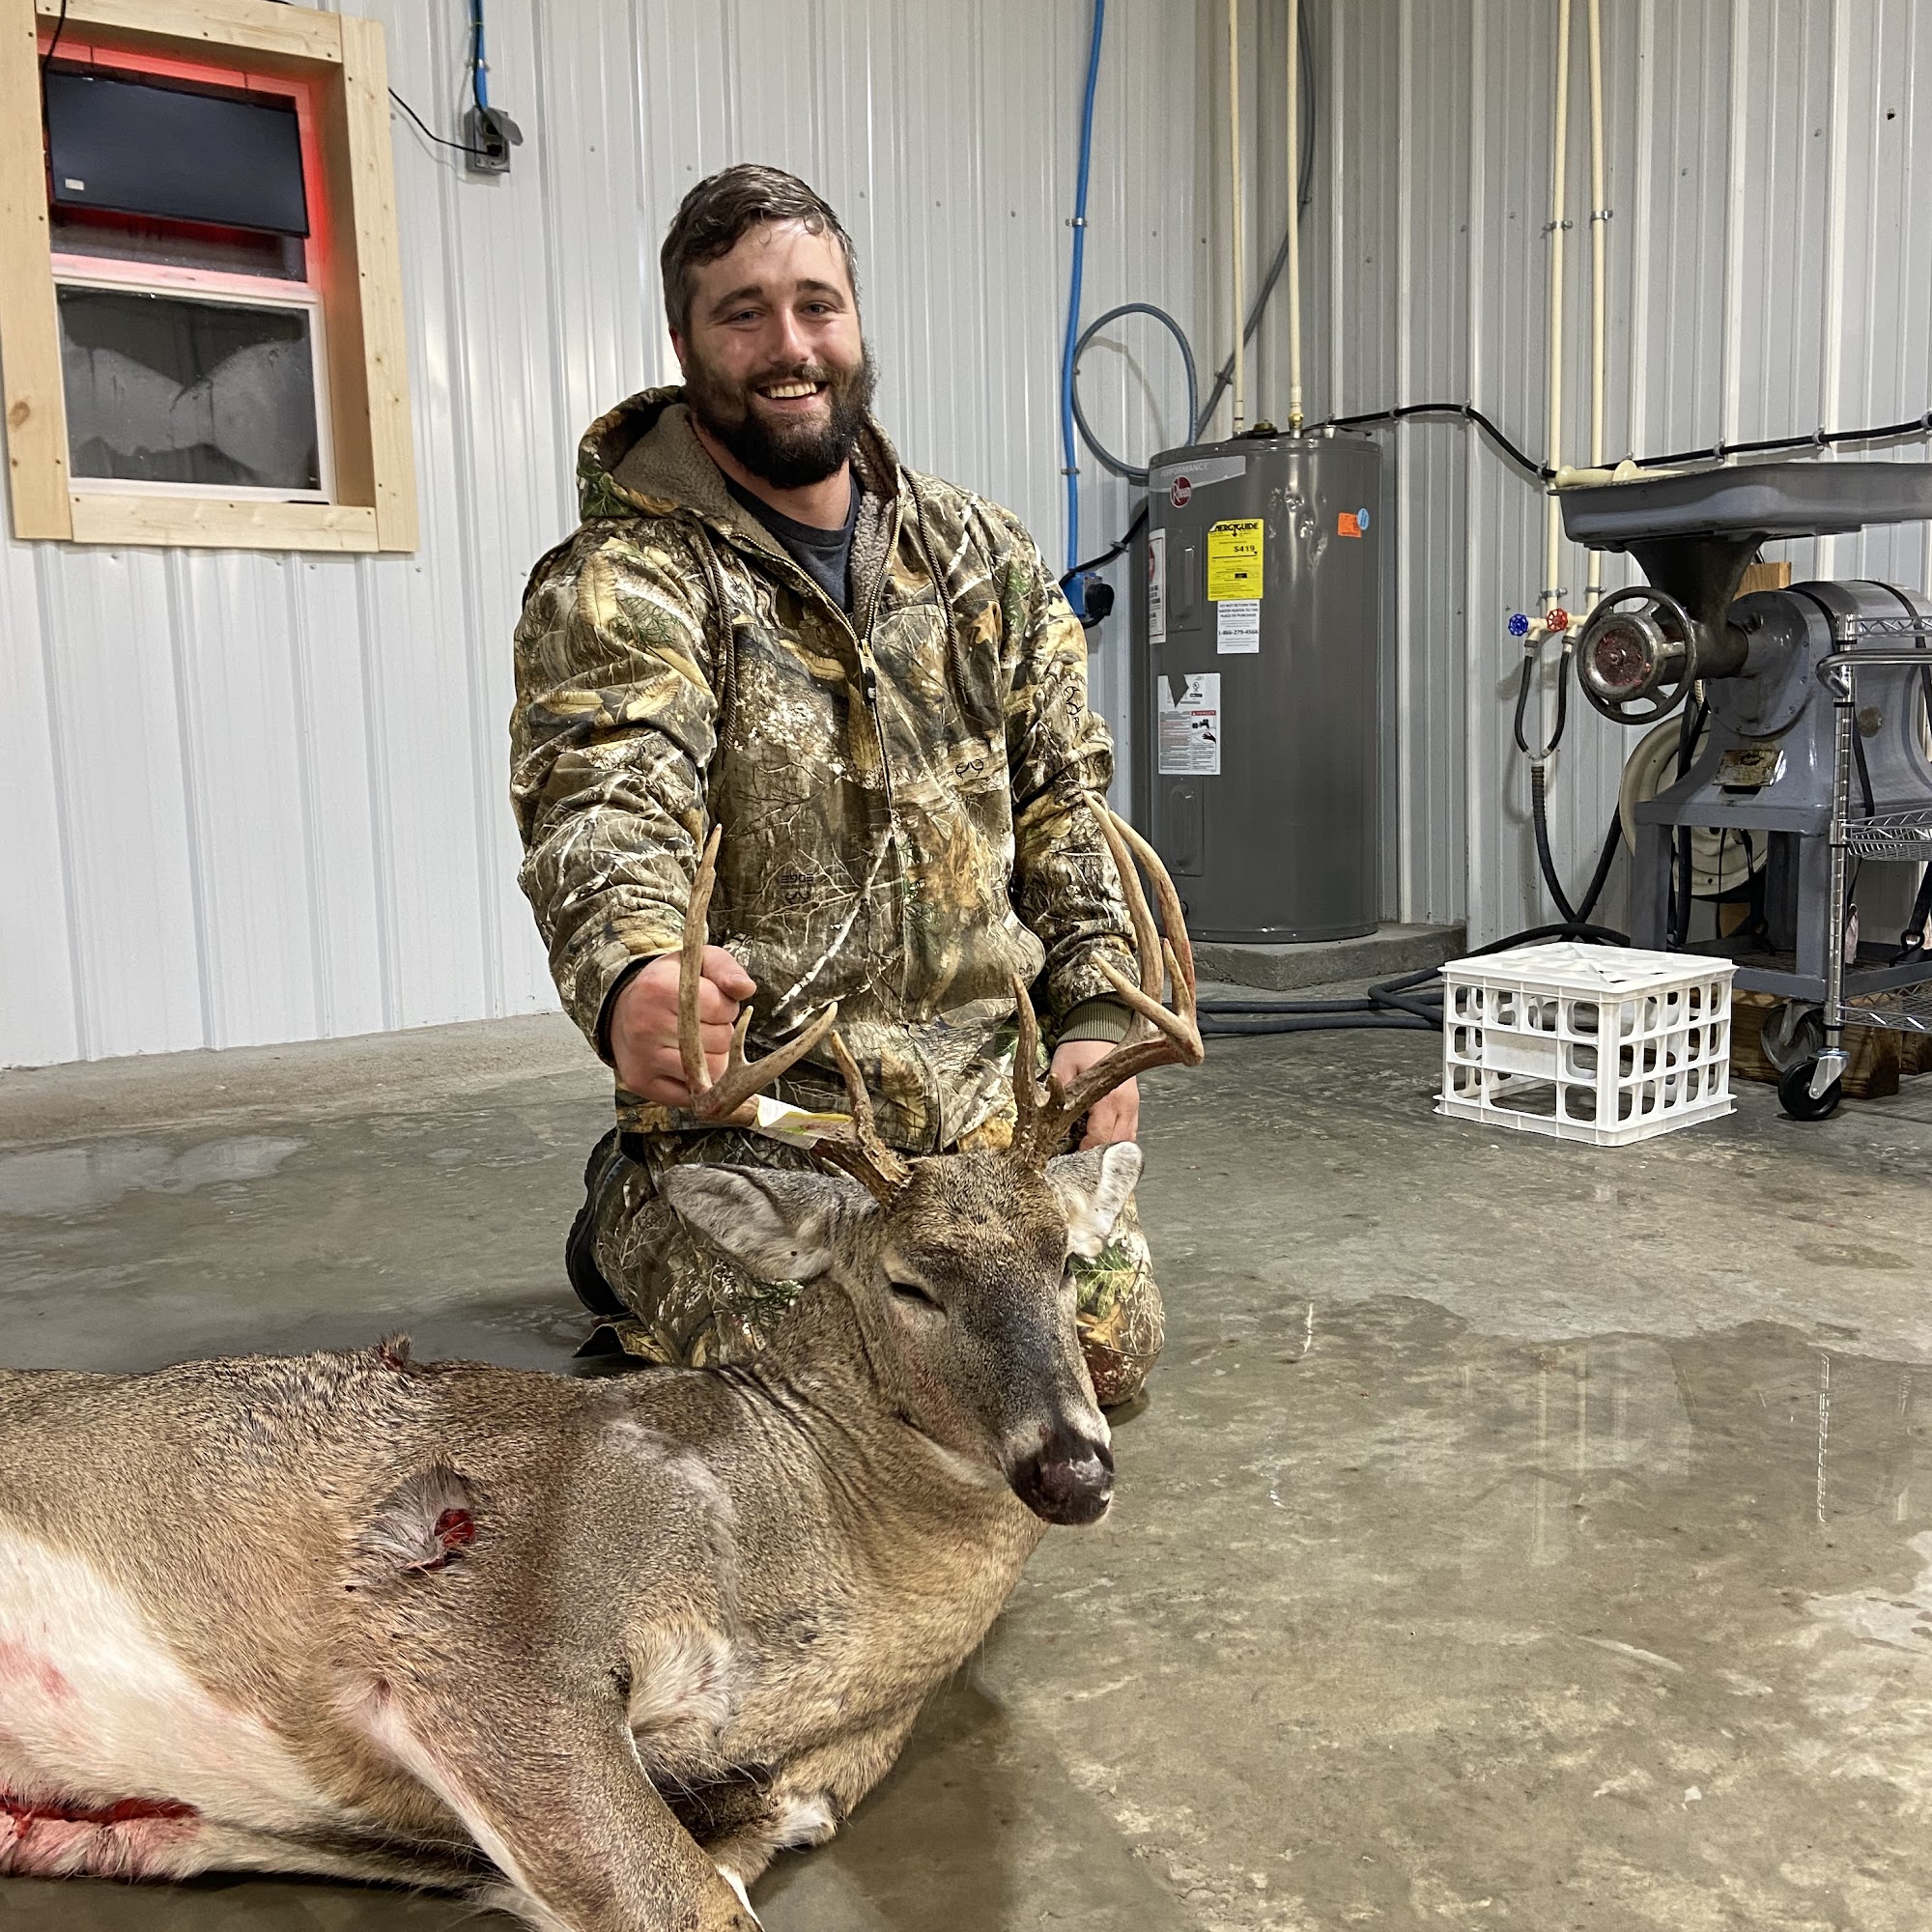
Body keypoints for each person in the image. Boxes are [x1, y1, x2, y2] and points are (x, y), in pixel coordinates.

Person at [509, 163, 1163, 1406]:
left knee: (1105, 1356)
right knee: (845, 1384)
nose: (787, 344)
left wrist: (1094, 1014)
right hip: (772, 1141)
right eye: (741, 311)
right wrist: (632, 968)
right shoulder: (623, 578)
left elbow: (1063, 804)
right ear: (684, 342)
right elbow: (603, 793)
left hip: (984, 1130)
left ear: (855, 320)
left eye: (816, 303)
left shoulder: (984, 558)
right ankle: (629, 1210)